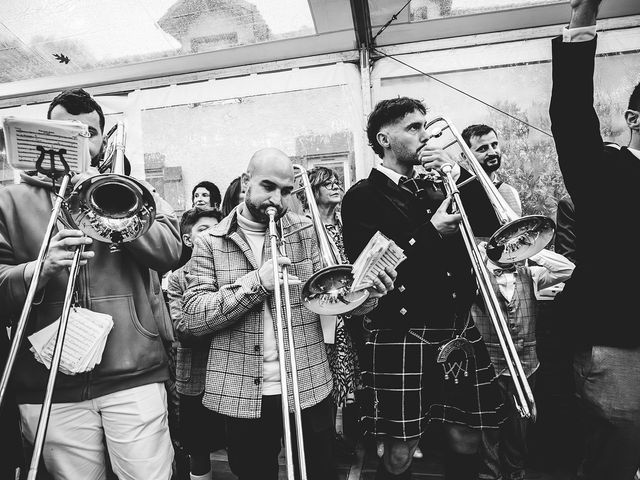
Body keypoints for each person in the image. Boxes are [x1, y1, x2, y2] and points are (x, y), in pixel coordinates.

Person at [181, 148, 396, 480]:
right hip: (239, 392)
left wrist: (368, 297)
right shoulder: (210, 241)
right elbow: (194, 317)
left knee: (321, 472)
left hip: (308, 384)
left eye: (285, 191)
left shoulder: (305, 230)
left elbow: (335, 298)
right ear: (245, 182)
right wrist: (257, 283)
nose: (276, 199)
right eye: (268, 186)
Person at [0, 88, 182, 479]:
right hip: (48, 383)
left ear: (102, 141)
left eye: (89, 133)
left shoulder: (132, 190)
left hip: (133, 374)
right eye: (65, 131)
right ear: (42, 135)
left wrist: (114, 206)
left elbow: (170, 252)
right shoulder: (7, 202)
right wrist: (38, 269)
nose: (79, 140)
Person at [341, 96, 506, 480]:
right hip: (401, 331)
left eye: (424, 125)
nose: (424, 134)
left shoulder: (438, 185)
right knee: (401, 450)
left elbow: (490, 221)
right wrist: (431, 232)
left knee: (468, 437)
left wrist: (458, 170)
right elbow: (375, 271)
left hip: (456, 328)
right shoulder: (363, 196)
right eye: (413, 127)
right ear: (384, 139)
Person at [549, 1, 640, 478]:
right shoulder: (606, 169)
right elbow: (569, 115)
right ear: (633, 118)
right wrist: (583, 18)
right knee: (617, 456)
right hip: (619, 343)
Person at [472, 243, 575, 480]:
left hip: (526, 364)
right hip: (489, 363)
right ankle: (489, 475)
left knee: (519, 428)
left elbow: (567, 270)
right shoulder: (475, 272)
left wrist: (530, 249)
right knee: (489, 428)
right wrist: (485, 251)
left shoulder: (531, 273)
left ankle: (515, 473)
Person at [299, 166, 361, 457]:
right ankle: (325, 435)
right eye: (328, 184)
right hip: (318, 307)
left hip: (344, 303)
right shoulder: (304, 226)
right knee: (324, 369)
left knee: (344, 368)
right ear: (314, 191)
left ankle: (339, 430)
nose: (336, 187)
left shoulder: (344, 224)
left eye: (337, 182)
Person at [167, 207, 225, 480]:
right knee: (197, 448)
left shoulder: (232, 273)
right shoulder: (178, 278)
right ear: (188, 240)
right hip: (195, 378)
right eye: (204, 229)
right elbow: (182, 328)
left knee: (241, 447)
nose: (214, 234)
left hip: (233, 373)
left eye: (218, 227)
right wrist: (224, 314)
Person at [461, 124, 523, 216]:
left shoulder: (511, 191)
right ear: (465, 157)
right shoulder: (461, 191)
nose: (492, 152)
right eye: (482, 149)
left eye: (494, 145)